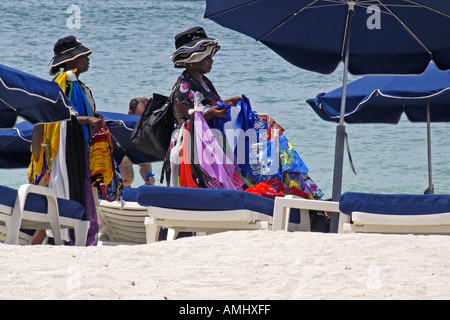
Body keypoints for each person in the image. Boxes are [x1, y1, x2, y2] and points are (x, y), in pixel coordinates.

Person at [28, 36, 102, 245]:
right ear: (69, 62)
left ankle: (38, 246)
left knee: (58, 203)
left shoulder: (77, 85)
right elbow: (59, 118)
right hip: (63, 156)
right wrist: (87, 119)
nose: (88, 59)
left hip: (75, 152)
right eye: (83, 56)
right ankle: (55, 243)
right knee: (62, 200)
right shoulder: (62, 86)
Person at [170, 26, 242, 126]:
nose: (211, 60)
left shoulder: (204, 81)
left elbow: (207, 105)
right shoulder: (182, 88)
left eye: (211, 56)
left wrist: (227, 103)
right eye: (206, 57)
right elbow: (183, 125)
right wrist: (207, 115)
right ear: (191, 60)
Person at [119, 97, 155, 187]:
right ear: (130, 114)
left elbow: (143, 164)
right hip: (112, 190)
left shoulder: (140, 136)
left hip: (128, 187)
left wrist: (148, 180)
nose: (144, 122)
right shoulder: (118, 133)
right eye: (141, 117)